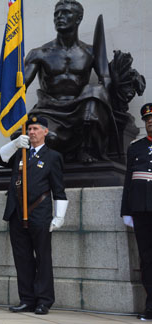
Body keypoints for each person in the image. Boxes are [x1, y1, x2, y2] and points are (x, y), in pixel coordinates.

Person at [0, 116, 68, 315]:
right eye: (29, 129)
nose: (31, 132)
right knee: (22, 258)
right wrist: (14, 144)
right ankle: (27, 299)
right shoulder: (20, 153)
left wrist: (59, 216)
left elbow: (58, 188)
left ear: (45, 132)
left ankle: (44, 300)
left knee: (43, 258)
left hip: (39, 212)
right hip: (17, 212)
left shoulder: (53, 157)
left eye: (35, 128)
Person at [25, 0, 116, 163]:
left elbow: (106, 78)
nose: (60, 17)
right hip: (49, 110)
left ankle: (86, 149)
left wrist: (100, 96)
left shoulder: (90, 51)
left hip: (80, 108)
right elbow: (20, 87)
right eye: (57, 14)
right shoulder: (40, 53)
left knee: (95, 92)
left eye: (66, 13)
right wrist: (8, 106)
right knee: (49, 138)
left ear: (78, 18)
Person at [121, 103, 152, 320]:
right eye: (147, 119)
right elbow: (128, 181)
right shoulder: (136, 147)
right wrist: (126, 211)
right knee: (147, 259)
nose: (150, 121)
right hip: (141, 211)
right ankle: (150, 304)